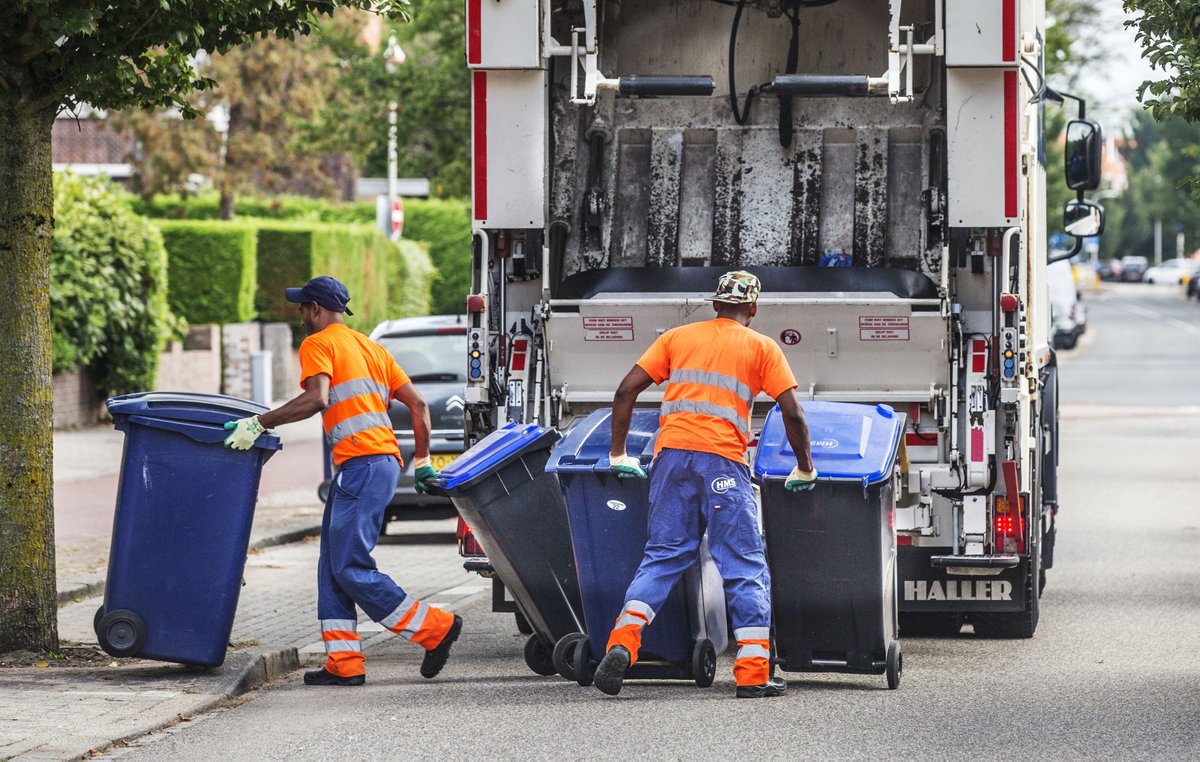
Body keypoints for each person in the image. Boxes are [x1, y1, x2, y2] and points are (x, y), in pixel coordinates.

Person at [223, 275, 462, 686]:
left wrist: (260, 423)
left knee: (350, 566)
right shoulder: (372, 347)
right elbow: (418, 404)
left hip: (362, 465)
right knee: (332, 567)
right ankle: (344, 662)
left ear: (316, 308)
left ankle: (435, 629)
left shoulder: (318, 343)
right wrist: (422, 461)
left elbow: (316, 398)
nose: (300, 315)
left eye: (302, 307)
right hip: (376, 464)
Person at [594, 270, 817, 699]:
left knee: (661, 558)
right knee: (743, 563)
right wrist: (805, 466)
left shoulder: (677, 338)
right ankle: (753, 674)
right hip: (722, 463)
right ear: (752, 309)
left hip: (670, 459)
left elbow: (625, 392)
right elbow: (792, 414)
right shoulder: (762, 347)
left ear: (715, 304)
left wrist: (619, 454)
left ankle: (622, 642)